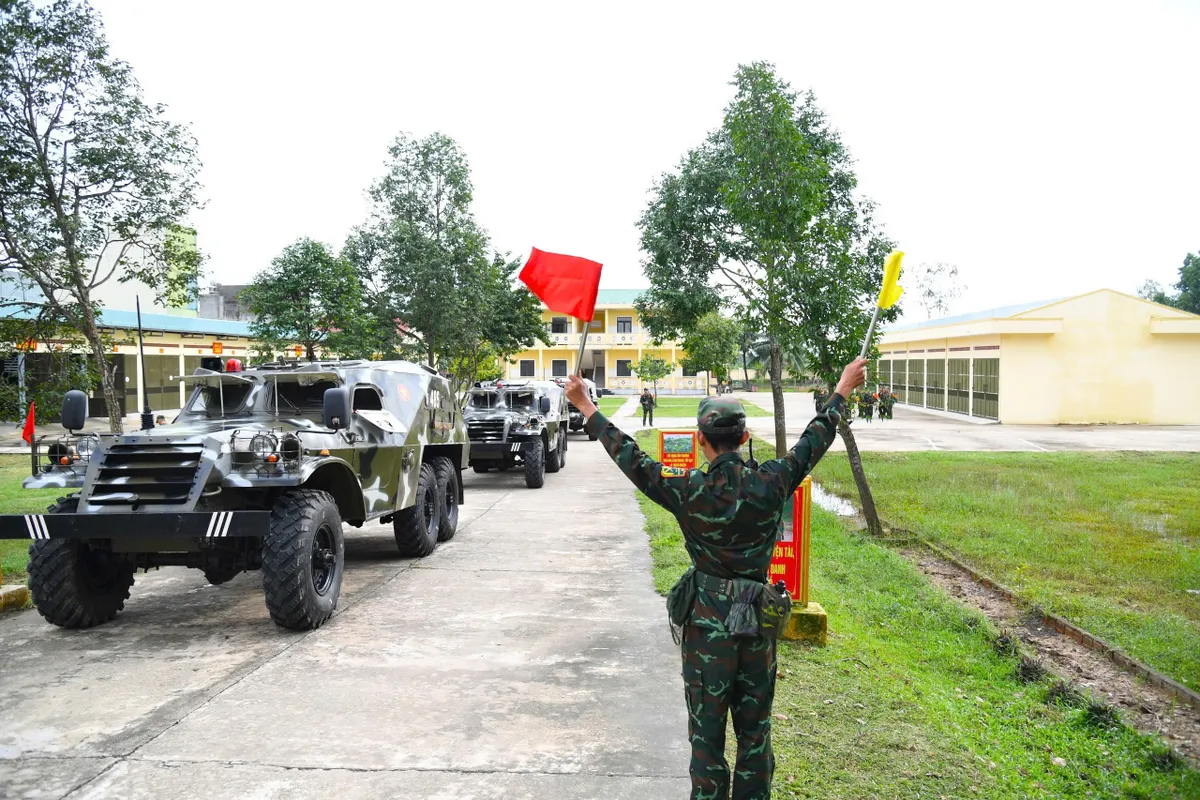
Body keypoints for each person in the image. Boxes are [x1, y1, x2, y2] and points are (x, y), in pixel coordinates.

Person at [566, 357, 867, 800]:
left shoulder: (688, 490)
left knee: (707, 741)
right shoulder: (772, 482)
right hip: (758, 629)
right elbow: (812, 442)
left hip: (707, 631)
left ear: (701, 439)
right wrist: (840, 390)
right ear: (744, 438)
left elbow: (632, 458)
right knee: (755, 737)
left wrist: (587, 408)